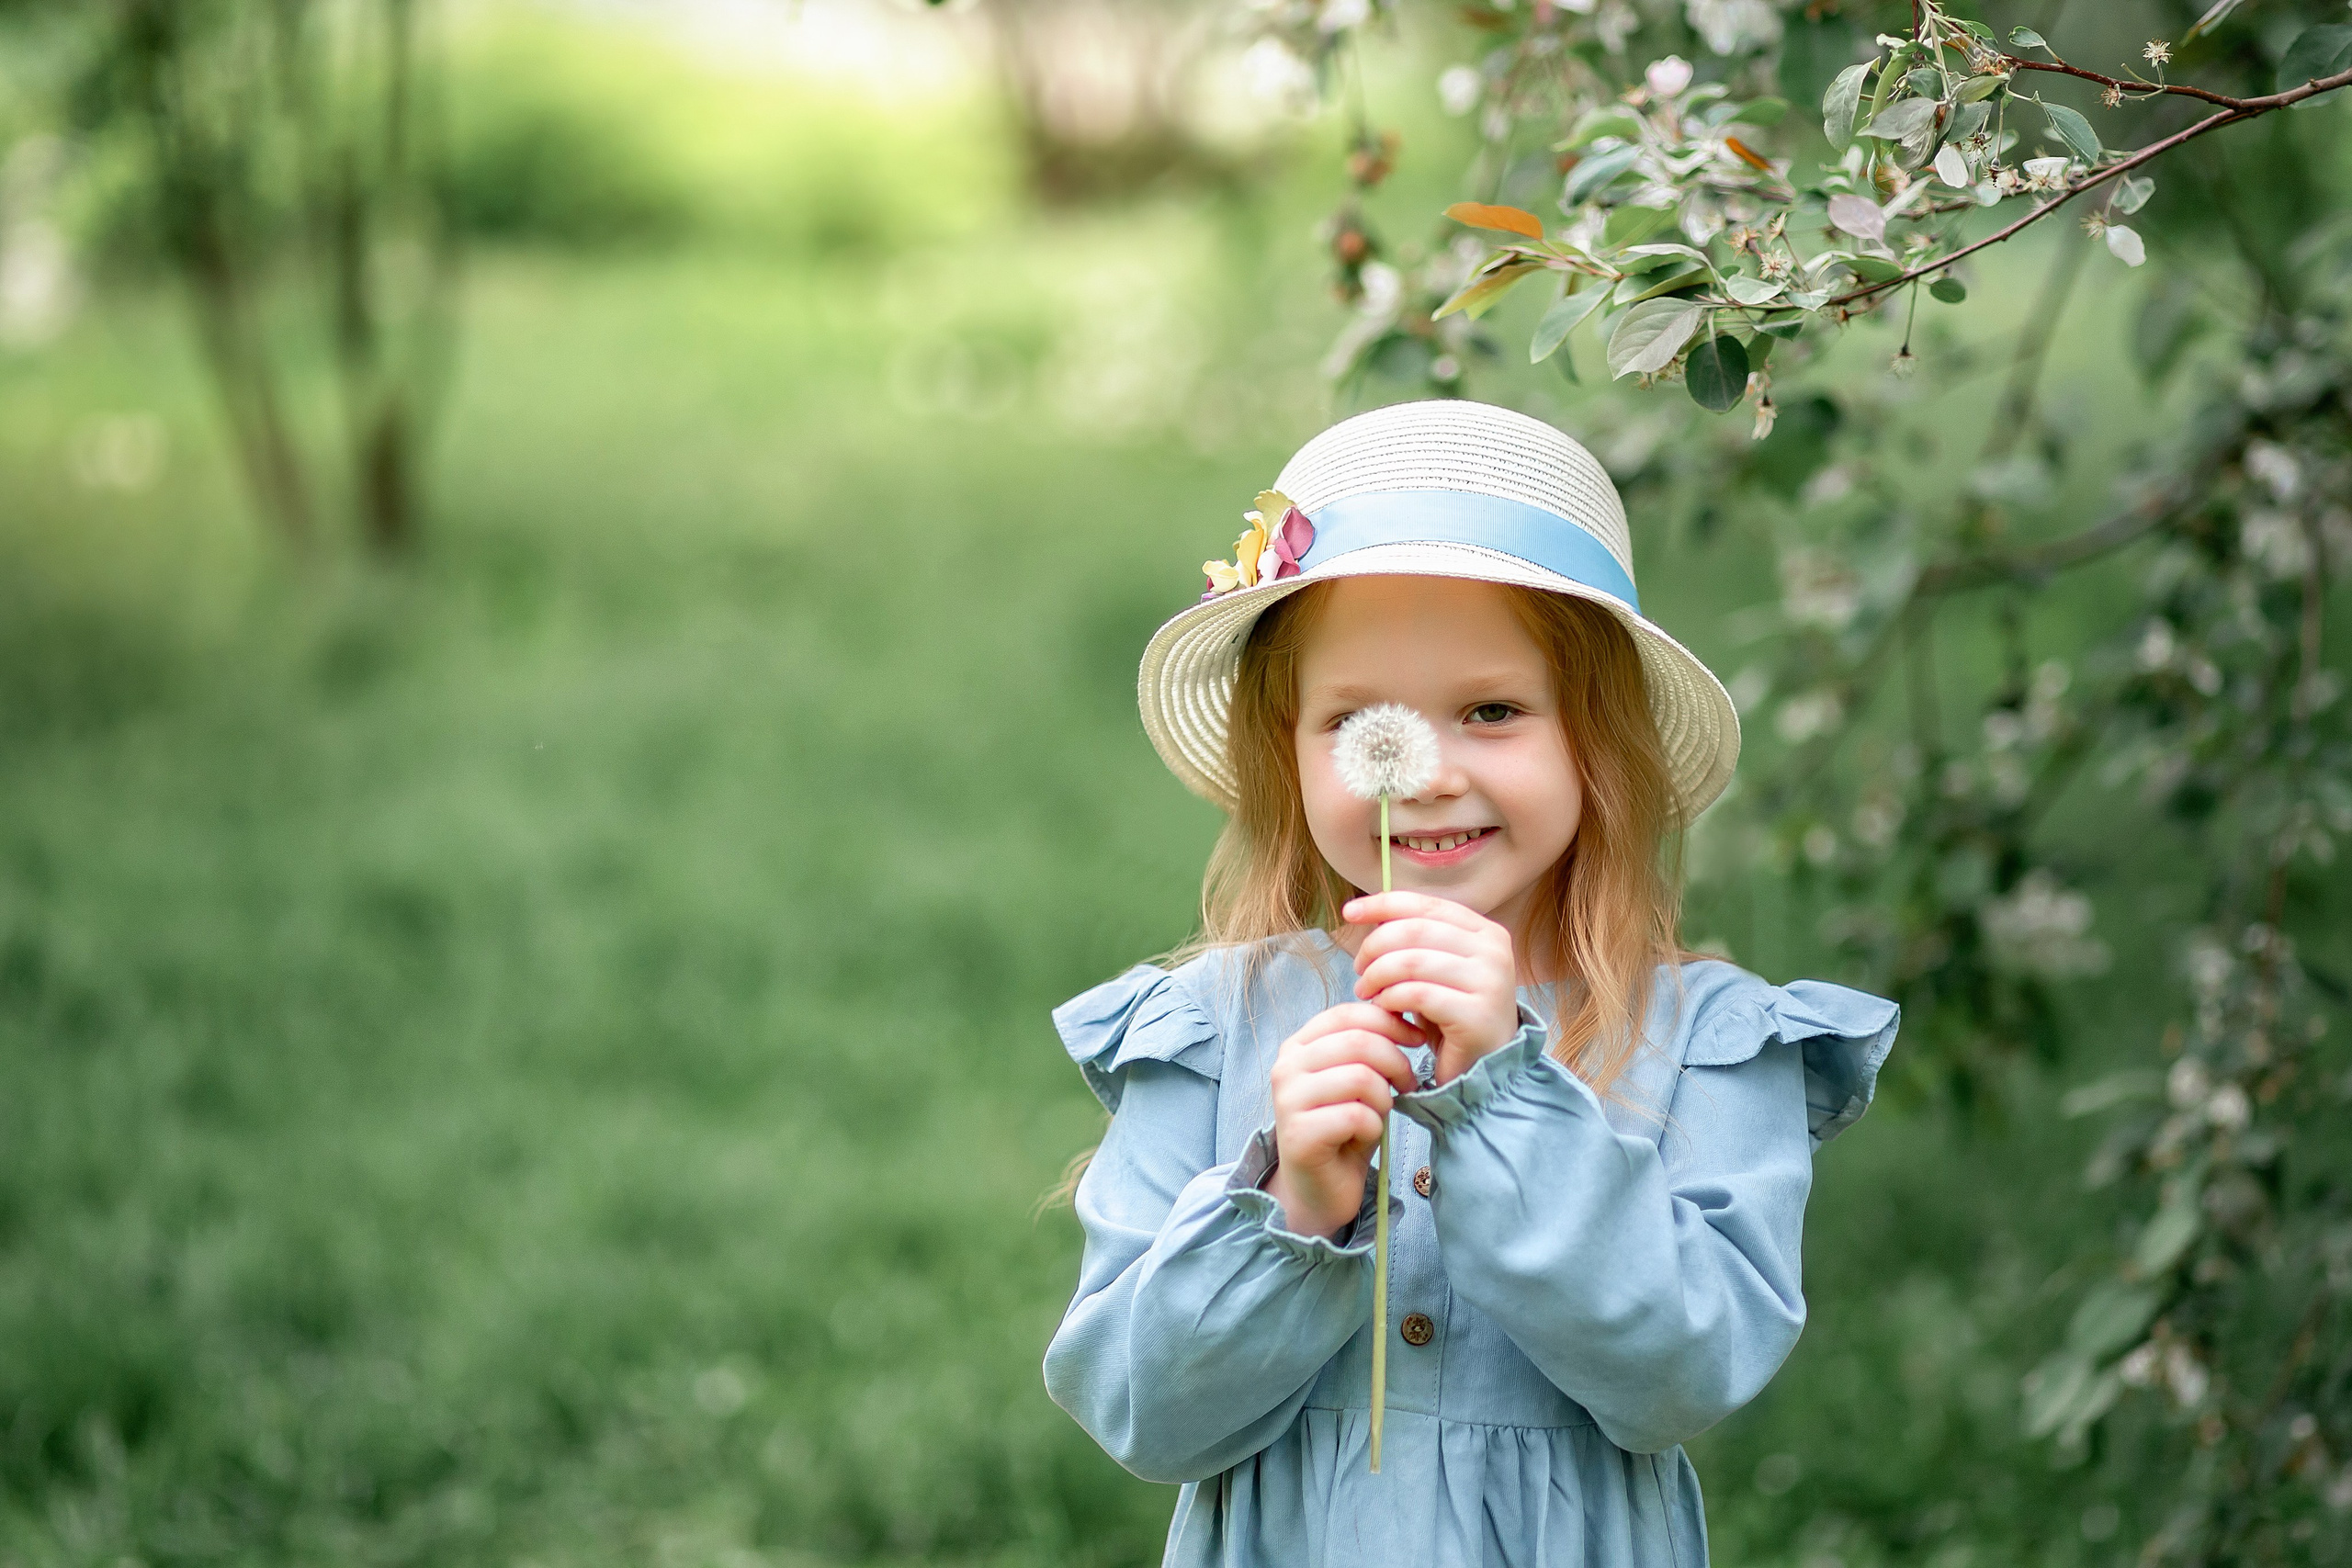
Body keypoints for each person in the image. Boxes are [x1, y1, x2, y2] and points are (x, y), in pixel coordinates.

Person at [1041, 399, 1898, 1567]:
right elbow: (1145, 1417)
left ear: (1595, 740)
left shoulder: (1704, 1041)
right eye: (1362, 723)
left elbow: (1682, 1379)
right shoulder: (1210, 1029)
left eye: (1493, 711)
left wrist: (1502, 1099)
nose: (1428, 775)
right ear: (1289, 751)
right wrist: (1293, 1208)